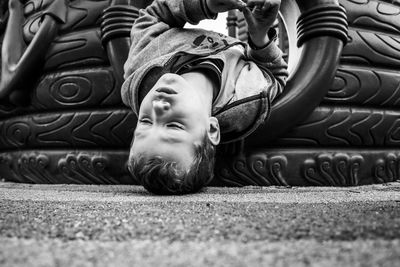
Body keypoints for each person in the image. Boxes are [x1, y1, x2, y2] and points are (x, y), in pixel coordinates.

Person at [122, 0, 288, 194]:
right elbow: (275, 77)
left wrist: (205, 5)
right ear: (211, 128)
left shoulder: (140, 67)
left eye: (145, 122)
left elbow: (153, 16)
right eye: (174, 125)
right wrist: (260, 36)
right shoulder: (245, 102)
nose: (158, 108)